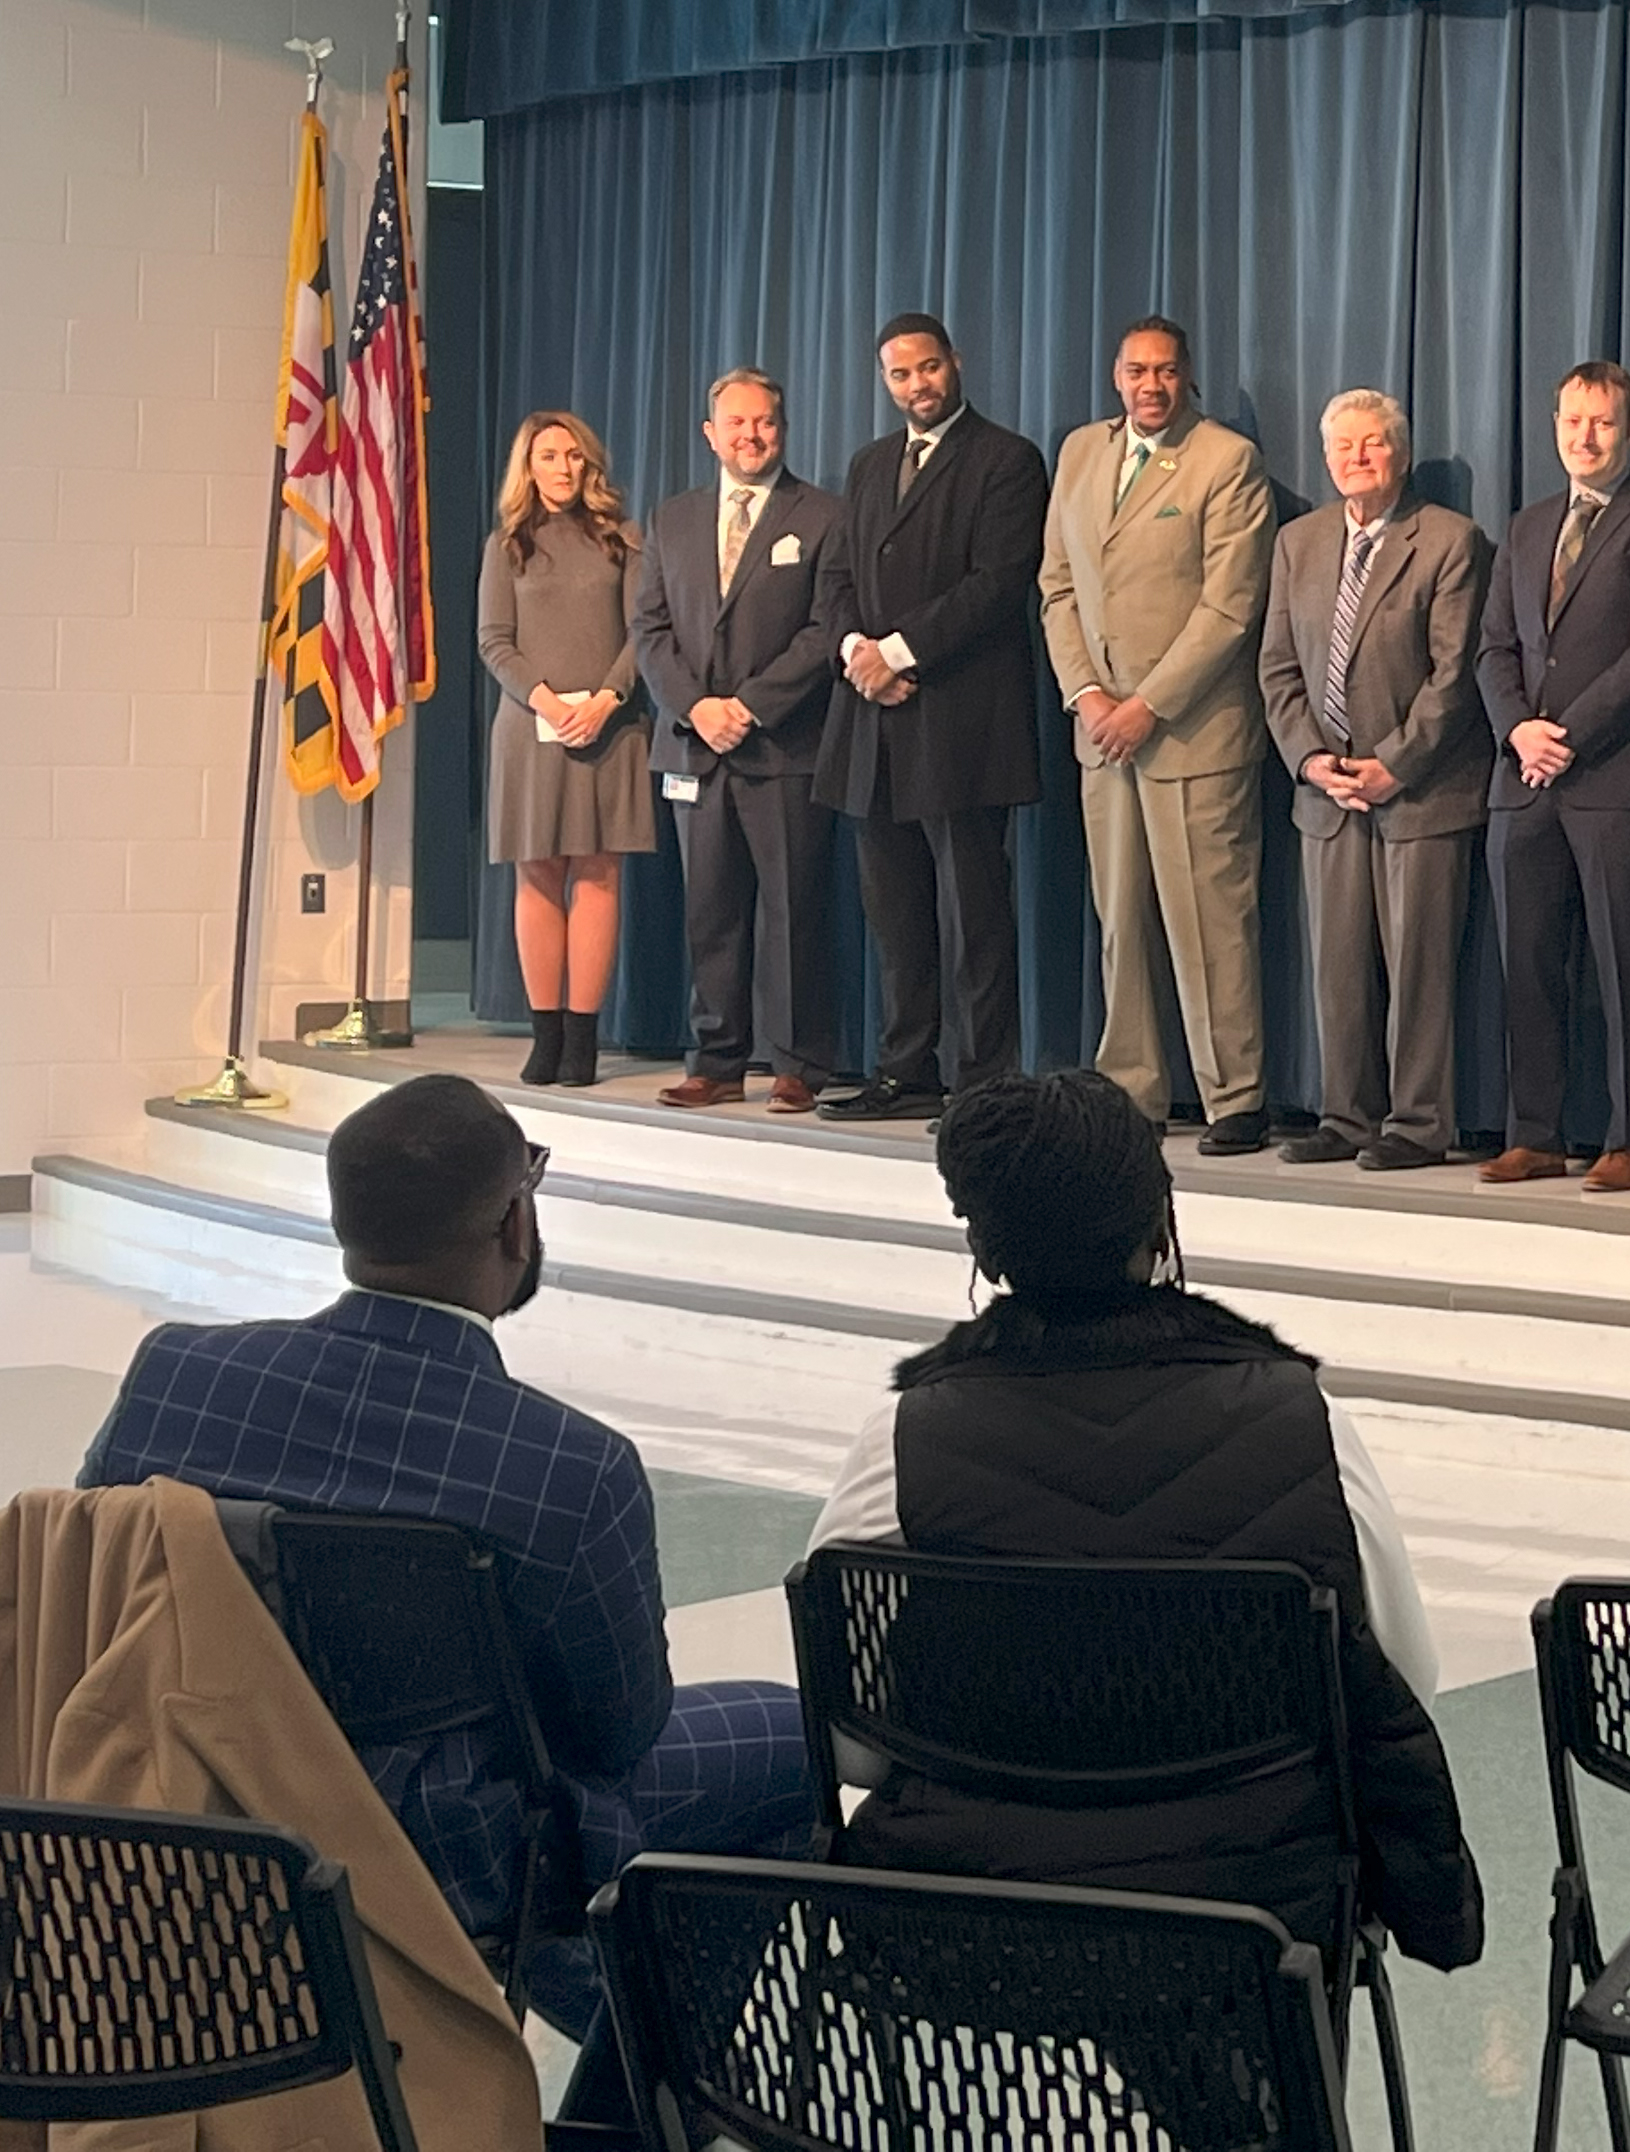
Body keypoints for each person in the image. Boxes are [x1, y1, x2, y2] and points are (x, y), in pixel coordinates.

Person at [78, 1072, 811, 2060]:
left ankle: (612, 2041)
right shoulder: (568, 1463)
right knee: (788, 1743)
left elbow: (95, 1584)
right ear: (513, 1224)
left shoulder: (179, 1375)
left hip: (193, 1800)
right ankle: (649, 2081)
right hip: (452, 1846)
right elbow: (619, 1729)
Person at [806, 1073, 1484, 1972]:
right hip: (1252, 1929)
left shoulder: (900, 1444)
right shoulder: (1302, 1424)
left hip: (969, 1934)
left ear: (984, 1247)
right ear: (1158, 1226)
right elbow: (1404, 1680)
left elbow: (850, 1747)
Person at [1039, 316, 1279, 1149]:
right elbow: (1057, 587)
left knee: (1210, 926)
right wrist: (1087, 695)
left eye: (1167, 371)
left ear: (1188, 377)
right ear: (1116, 376)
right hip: (1100, 735)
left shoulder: (1226, 460)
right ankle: (1131, 1092)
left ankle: (1234, 1097)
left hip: (1191, 734)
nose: (1151, 385)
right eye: (1137, 371)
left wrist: (1147, 705)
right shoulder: (1080, 453)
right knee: (1121, 924)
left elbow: (1230, 607)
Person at [813, 314, 1053, 1121]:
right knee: (895, 914)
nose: (917, 385)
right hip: (872, 722)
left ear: (956, 362)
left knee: (974, 914)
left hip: (961, 720)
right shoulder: (870, 463)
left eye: (928, 368)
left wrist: (899, 653)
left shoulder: (1006, 459)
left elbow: (998, 581)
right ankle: (905, 1070)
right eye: (900, 374)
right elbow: (837, 576)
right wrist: (857, 652)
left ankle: (984, 1082)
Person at [1475, 360, 1630, 1193]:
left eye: (1602, 422)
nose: (1585, 436)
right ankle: (1535, 1134)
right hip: (1524, 779)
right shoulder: (1527, 525)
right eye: (1572, 421)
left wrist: (1565, 736)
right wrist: (1518, 731)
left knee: (1624, 967)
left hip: (1616, 777)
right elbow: (1493, 648)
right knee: (1528, 964)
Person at [1257, 390, 1492, 1172]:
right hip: (1326, 794)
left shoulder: (1450, 541)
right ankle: (1345, 1117)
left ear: (1402, 453)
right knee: (1338, 967)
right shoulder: (1297, 543)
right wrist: (1310, 760)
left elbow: (1454, 675)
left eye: (1373, 444)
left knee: (1418, 968)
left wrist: (1395, 762)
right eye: (1343, 446)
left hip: (1420, 793)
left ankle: (1418, 1125)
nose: (1357, 458)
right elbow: (1278, 667)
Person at [630, 368, 846, 1114]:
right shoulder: (672, 518)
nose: (751, 436)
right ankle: (716, 1062)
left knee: (793, 911)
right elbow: (650, 629)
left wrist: (748, 708)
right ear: (710, 434)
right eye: (737, 423)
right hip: (694, 749)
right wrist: (696, 708)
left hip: (782, 747)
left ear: (782, 429)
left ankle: (797, 1064)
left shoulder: (823, 515)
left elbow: (824, 631)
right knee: (710, 912)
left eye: (765, 423)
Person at [479, 410, 653, 1090]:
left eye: (574, 456)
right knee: (538, 872)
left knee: (598, 872)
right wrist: (547, 701)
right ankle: (545, 1034)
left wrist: (607, 699)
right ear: (528, 466)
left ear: (591, 465)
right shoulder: (507, 545)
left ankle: (583, 1040)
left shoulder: (623, 539)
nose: (563, 468)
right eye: (549, 456)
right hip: (531, 728)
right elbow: (495, 641)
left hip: (609, 726)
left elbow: (643, 632)